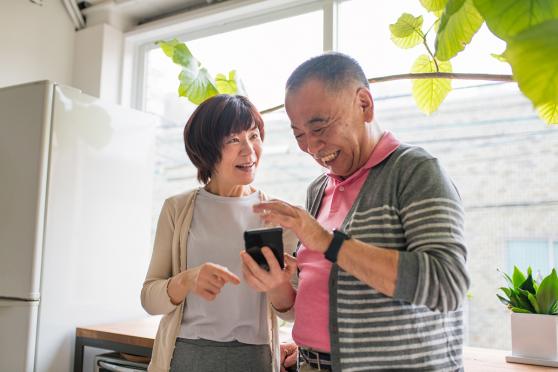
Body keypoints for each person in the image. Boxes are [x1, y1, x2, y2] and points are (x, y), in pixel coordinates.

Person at [241, 52, 470, 371]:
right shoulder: (318, 189)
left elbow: (448, 285)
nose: (311, 147)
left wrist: (327, 242)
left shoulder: (415, 172)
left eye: (319, 127)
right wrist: (278, 285)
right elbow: (314, 303)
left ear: (364, 104)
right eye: (299, 135)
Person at [141, 94, 297, 372]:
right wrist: (187, 280)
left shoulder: (277, 215)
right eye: (233, 140)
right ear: (207, 150)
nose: (249, 151)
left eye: (254, 136)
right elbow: (149, 299)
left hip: (255, 359)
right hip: (186, 355)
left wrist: (276, 286)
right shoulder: (177, 209)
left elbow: (292, 311)